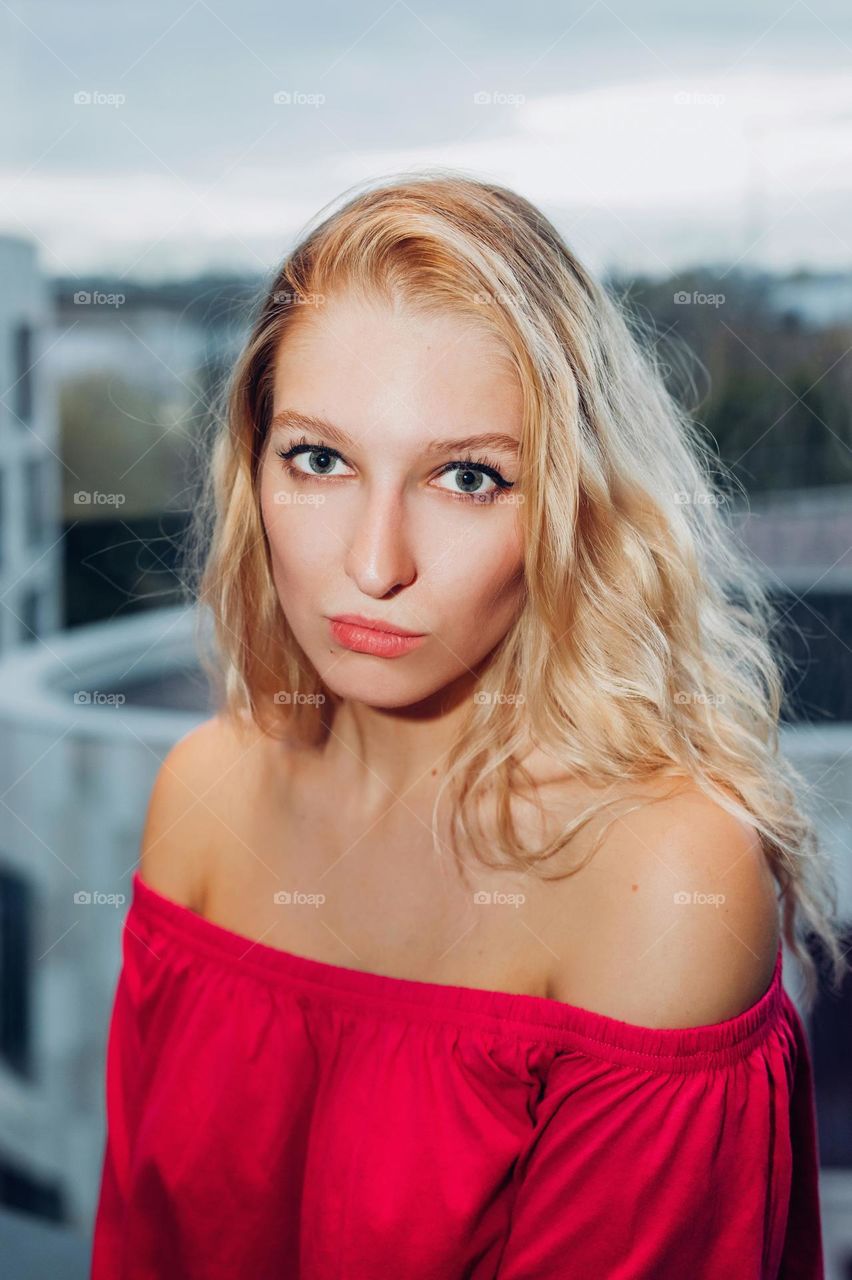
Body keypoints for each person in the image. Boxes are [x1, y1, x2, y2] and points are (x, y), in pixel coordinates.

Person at [90, 171, 842, 1279]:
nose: (375, 563)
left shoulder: (666, 878)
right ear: (253, 470)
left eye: (468, 477)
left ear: (574, 506)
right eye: (320, 459)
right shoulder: (205, 796)